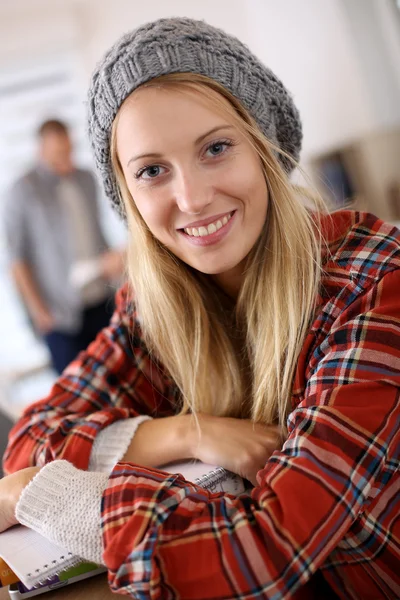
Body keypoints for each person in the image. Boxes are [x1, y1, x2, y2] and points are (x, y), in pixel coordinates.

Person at [0, 17, 399, 600]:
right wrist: (189, 433)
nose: (191, 198)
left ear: (263, 145)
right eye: (152, 171)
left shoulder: (375, 284)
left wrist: (34, 493)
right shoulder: (151, 304)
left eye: (216, 148)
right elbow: (31, 438)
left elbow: (261, 555)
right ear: (128, 195)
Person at [4, 119, 124, 374]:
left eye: (68, 151)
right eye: (58, 153)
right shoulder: (23, 190)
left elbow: (96, 232)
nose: (65, 159)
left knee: (119, 374)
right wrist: (40, 312)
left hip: (100, 300)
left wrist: (112, 261)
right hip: (59, 314)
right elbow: (17, 260)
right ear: (41, 150)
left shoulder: (85, 179)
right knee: (78, 390)